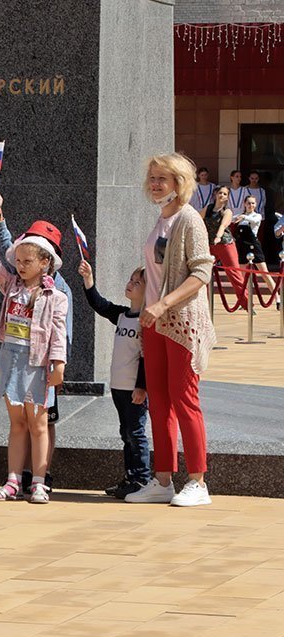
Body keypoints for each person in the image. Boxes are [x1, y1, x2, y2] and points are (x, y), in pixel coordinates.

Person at [125, 153, 215, 507]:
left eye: (163, 178)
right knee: (159, 404)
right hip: (154, 322)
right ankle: (163, 479)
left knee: (184, 399)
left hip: (180, 323)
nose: (156, 184)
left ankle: (197, 480)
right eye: (153, 178)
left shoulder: (189, 219)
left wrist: (163, 303)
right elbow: (162, 268)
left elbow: (201, 272)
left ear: (180, 183)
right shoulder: (161, 218)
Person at [0, 210, 68, 504]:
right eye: (19, 261)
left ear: (45, 263)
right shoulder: (11, 286)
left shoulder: (56, 297)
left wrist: (59, 365)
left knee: (38, 424)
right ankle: (12, 481)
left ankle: (38, 481)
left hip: (37, 363)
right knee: (17, 424)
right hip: (10, 359)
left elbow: (58, 334)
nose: (21, 266)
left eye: (28, 262)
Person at [77, 260, 150, 499]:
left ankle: (142, 478)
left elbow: (146, 358)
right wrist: (89, 281)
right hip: (118, 387)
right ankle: (130, 477)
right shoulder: (122, 315)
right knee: (125, 433)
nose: (130, 284)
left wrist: (141, 387)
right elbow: (100, 305)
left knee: (135, 433)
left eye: (137, 283)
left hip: (133, 389)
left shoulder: (146, 322)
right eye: (131, 280)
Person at [201, 186, 248, 310]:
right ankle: (203, 304)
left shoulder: (227, 211)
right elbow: (198, 220)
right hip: (209, 245)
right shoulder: (208, 208)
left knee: (234, 273)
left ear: (227, 197)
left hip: (225, 244)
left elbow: (223, 225)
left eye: (225, 194)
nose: (222, 195)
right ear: (216, 194)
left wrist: (218, 237)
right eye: (220, 193)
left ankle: (247, 303)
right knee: (203, 272)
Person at [233, 195, 277, 296]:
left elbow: (255, 221)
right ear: (244, 204)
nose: (251, 205)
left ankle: (277, 297)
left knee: (264, 273)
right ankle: (246, 298)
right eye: (248, 203)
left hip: (253, 246)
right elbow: (231, 219)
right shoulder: (240, 216)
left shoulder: (257, 215)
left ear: (256, 204)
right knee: (243, 275)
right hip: (242, 247)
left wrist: (243, 216)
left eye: (253, 203)